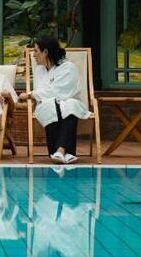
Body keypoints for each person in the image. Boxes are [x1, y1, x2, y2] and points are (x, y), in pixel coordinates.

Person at [19, 36, 91, 164]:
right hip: (48, 104)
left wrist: (30, 95)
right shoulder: (39, 70)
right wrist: (38, 95)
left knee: (70, 106)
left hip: (69, 102)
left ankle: (60, 150)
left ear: (46, 52)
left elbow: (59, 91)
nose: (33, 55)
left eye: (36, 51)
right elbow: (43, 92)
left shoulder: (68, 68)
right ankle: (67, 153)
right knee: (50, 106)